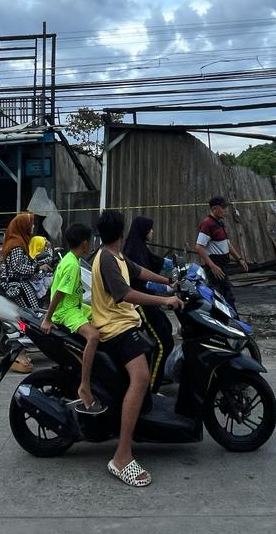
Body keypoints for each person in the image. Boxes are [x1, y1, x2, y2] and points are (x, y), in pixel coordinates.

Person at [92, 208, 181, 488]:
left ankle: (143, 411)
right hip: (115, 327)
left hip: (124, 322)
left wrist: (168, 282)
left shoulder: (115, 255)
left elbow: (138, 271)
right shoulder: (106, 259)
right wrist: (165, 301)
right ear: (121, 232)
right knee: (141, 377)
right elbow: (126, 293)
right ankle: (121, 456)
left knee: (157, 346)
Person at [39, 223, 105, 415]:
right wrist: (48, 318)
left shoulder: (71, 258)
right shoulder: (71, 265)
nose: (91, 244)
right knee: (93, 337)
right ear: (84, 243)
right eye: (90, 241)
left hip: (75, 306)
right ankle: (85, 385)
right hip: (66, 311)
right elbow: (59, 294)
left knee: (104, 316)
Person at [0, 212, 53, 373]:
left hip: (19, 280)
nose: (33, 226)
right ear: (23, 226)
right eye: (31, 223)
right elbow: (18, 268)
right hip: (17, 284)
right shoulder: (16, 245)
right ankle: (22, 342)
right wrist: (37, 267)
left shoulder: (19, 241)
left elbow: (26, 264)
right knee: (32, 313)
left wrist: (41, 261)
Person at [123, 215, 175, 369]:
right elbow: (142, 279)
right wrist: (166, 288)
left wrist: (178, 267)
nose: (152, 232)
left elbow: (156, 261)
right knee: (163, 343)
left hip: (148, 299)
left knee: (166, 327)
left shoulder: (140, 246)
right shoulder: (132, 251)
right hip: (140, 303)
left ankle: (157, 369)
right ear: (143, 230)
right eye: (149, 229)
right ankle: (152, 387)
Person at [195, 196, 247, 306]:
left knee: (224, 295)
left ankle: (229, 318)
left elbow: (227, 243)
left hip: (223, 265)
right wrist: (212, 266)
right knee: (220, 296)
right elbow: (199, 247)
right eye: (223, 208)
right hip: (215, 266)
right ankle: (228, 320)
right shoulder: (207, 224)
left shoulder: (219, 223)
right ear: (214, 209)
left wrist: (239, 259)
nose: (225, 210)